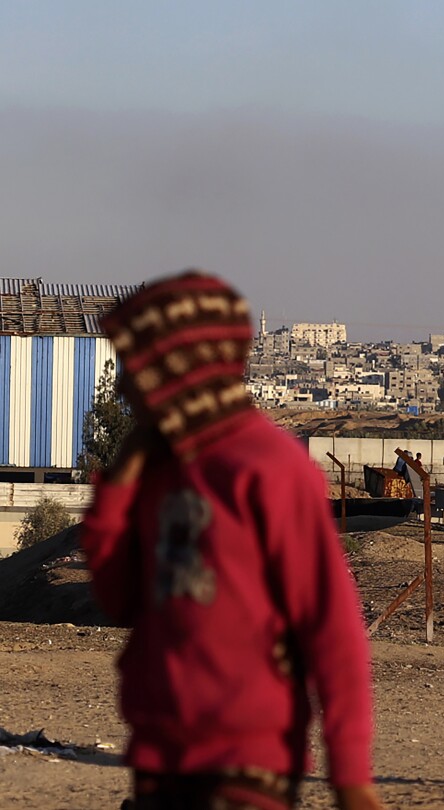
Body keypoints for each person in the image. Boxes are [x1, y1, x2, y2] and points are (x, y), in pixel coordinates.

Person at [81, 271, 383, 810]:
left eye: (136, 369)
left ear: (180, 371)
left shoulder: (268, 468)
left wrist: (351, 777)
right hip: (159, 757)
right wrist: (117, 491)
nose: (124, 388)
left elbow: (331, 626)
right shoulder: (159, 471)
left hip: (246, 763)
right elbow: (119, 598)